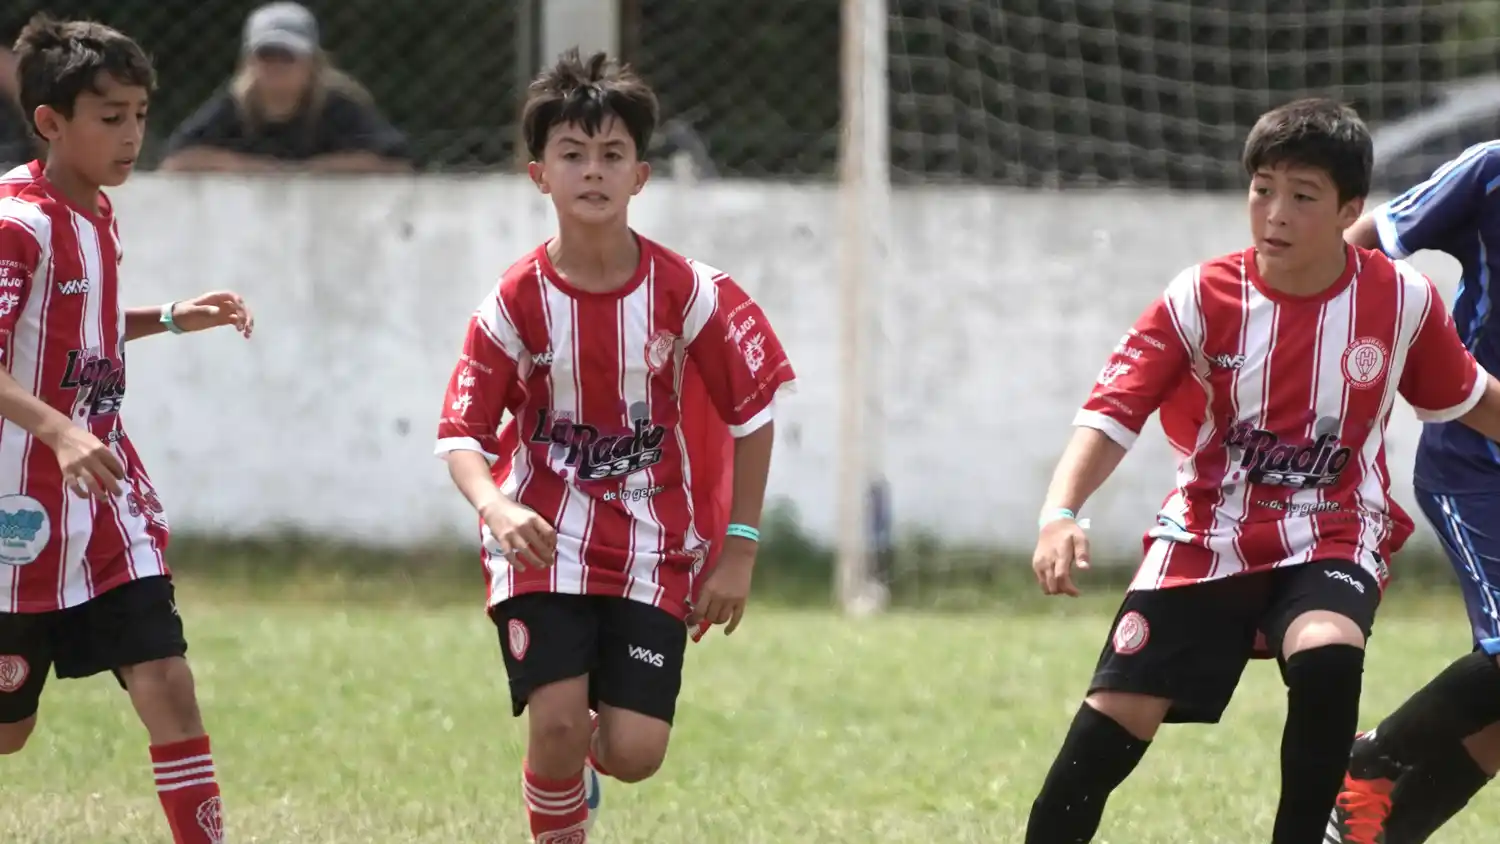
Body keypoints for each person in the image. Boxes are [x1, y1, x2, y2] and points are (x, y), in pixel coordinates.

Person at [1023, 97, 1500, 844]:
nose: (1274, 213)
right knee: (1114, 726)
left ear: (1348, 211)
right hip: (1207, 533)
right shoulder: (1200, 298)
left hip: (1335, 531)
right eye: (1261, 190)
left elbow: (1475, 399)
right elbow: (1111, 412)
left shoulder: (1399, 301)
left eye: (1302, 197)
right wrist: (1060, 512)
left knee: (1328, 652)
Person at [434, 48, 794, 844]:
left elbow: (755, 411)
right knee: (558, 723)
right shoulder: (513, 301)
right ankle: (559, 790)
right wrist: (494, 506)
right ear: (540, 176)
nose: (591, 171)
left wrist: (739, 545)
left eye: (611, 155)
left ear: (640, 176)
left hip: (651, 544)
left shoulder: (690, 292)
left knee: (634, 752)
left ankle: (579, 769)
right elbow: (460, 434)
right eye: (572, 154)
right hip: (542, 539)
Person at [0, 14, 254, 844]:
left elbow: (84, 329)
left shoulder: (97, 213)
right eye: (111, 117)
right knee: (10, 730)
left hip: (105, 501)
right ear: (50, 121)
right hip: (16, 514)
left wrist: (174, 318)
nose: (133, 134)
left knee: (166, 677)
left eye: (141, 114)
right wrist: (59, 433)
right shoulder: (17, 224)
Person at [1326, 141, 1500, 843]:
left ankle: (1373, 834)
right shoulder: (1490, 169)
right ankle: (1370, 758)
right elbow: (1366, 243)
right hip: (1476, 460)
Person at [160, 2, 410, 173]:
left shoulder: (338, 105)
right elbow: (175, 161)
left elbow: (397, 163)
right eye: (266, 55)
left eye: (288, 56)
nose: (276, 66)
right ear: (248, 62)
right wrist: (254, 170)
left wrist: (305, 174)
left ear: (312, 63)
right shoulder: (235, 105)